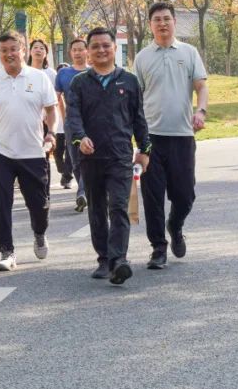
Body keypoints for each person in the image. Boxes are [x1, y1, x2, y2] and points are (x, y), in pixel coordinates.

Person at [65, 27, 151, 285]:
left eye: (106, 45)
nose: (101, 50)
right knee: (97, 209)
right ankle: (104, 258)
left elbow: (139, 119)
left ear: (115, 48)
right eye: (95, 46)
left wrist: (144, 149)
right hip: (90, 158)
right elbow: (73, 117)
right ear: (88, 52)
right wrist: (80, 139)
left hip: (120, 157)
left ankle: (118, 260)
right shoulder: (79, 83)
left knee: (119, 207)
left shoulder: (129, 81)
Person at [134, 1, 209, 270]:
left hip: (182, 136)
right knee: (152, 197)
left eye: (166, 18)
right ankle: (158, 248)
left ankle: (175, 226)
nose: (162, 23)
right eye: (157, 19)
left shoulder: (189, 52)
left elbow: (201, 86)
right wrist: (137, 137)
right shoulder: (142, 58)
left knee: (185, 195)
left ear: (174, 22)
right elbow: (136, 99)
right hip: (151, 139)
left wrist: (200, 111)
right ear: (150, 25)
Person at [0, 31, 57, 271]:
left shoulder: (39, 78)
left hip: (33, 151)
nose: (9, 54)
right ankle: (7, 252)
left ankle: (39, 232)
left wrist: (51, 133)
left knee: (39, 204)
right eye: (4, 51)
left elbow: (51, 110)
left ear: (23, 50)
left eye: (13, 49)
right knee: (1, 204)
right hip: (0, 151)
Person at [28, 38, 68, 191]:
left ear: (46, 53)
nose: (38, 50)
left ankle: (44, 191)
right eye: (35, 47)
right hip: (29, 123)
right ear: (29, 51)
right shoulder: (24, 73)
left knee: (44, 155)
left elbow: (58, 99)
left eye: (42, 48)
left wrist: (63, 120)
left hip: (47, 123)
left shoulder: (51, 74)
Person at [55, 37, 90, 210]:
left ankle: (82, 192)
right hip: (71, 123)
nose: (77, 53)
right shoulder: (63, 73)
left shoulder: (93, 72)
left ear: (87, 51)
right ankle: (85, 191)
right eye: (74, 50)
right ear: (70, 52)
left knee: (88, 159)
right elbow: (57, 98)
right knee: (75, 162)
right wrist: (64, 118)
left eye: (81, 49)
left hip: (91, 122)